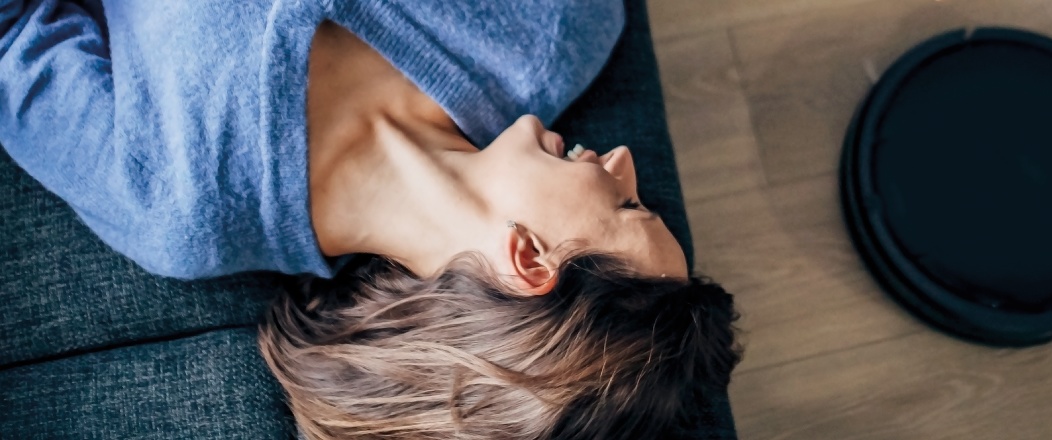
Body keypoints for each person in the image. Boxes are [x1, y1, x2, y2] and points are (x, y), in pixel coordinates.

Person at [0, 1, 741, 439]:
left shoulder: (180, 205)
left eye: (628, 205)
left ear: (528, 260)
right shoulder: (560, 26)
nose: (622, 161)